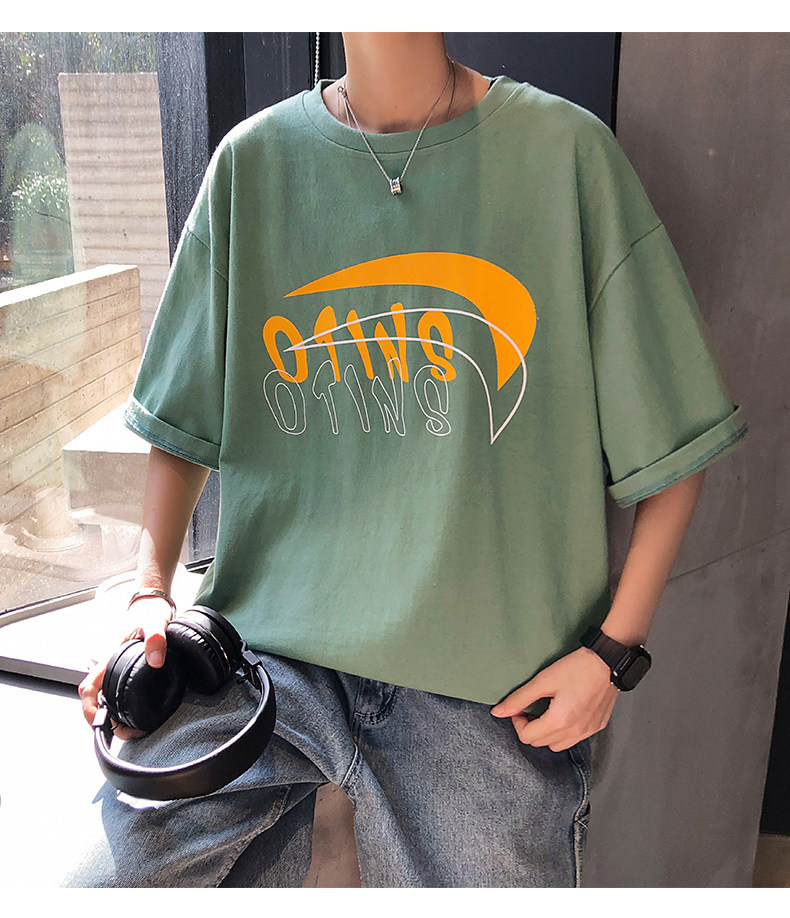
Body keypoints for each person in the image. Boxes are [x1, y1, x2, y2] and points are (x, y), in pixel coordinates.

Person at [66, 32, 748, 888]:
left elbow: (679, 442)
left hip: (490, 692)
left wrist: (615, 654)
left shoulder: (566, 154)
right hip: (269, 666)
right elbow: (179, 422)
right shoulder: (251, 163)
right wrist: (148, 592)